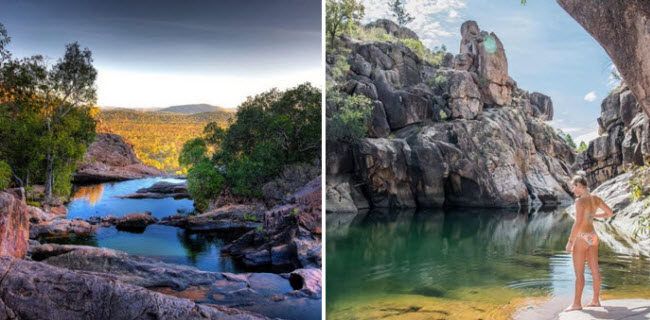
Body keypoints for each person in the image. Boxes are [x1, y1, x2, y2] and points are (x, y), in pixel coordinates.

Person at [564, 171, 614, 312]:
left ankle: (576, 304)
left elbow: (578, 223)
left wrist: (570, 241)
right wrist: (594, 215)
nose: (572, 190)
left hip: (581, 237)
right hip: (593, 236)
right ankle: (595, 300)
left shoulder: (580, 201)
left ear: (579, 185)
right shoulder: (596, 199)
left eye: (573, 187)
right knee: (595, 270)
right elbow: (610, 213)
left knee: (579, 273)